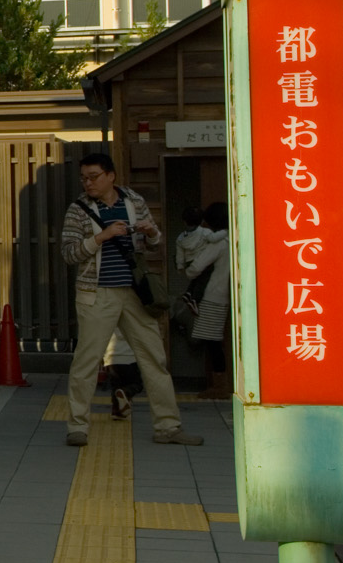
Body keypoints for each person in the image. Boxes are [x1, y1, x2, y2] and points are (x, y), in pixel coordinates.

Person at [59, 153, 203, 448]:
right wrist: (101, 237)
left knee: (154, 358)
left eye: (94, 176)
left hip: (135, 292)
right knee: (86, 360)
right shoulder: (78, 209)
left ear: (111, 176)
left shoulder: (133, 200)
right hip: (96, 292)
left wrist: (151, 234)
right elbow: (69, 253)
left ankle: (168, 427)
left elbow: (153, 242)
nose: (88, 183)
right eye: (84, 178)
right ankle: (77, 427)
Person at [185, 201, 231, 399]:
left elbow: (197, 267)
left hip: (213, 295)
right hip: (228, 294)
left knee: (212, 342)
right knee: (215, 340)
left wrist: (187, 270)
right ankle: (221, 384)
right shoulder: (235, 238)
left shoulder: (219, 243)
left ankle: (219, 385)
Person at [174, 206, 214, 273]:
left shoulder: (180, 238)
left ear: (184, 222)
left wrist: (180, 267)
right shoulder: (206, 233)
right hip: (206, 264)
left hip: (190, 266)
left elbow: (179, 257)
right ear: (201, 221)